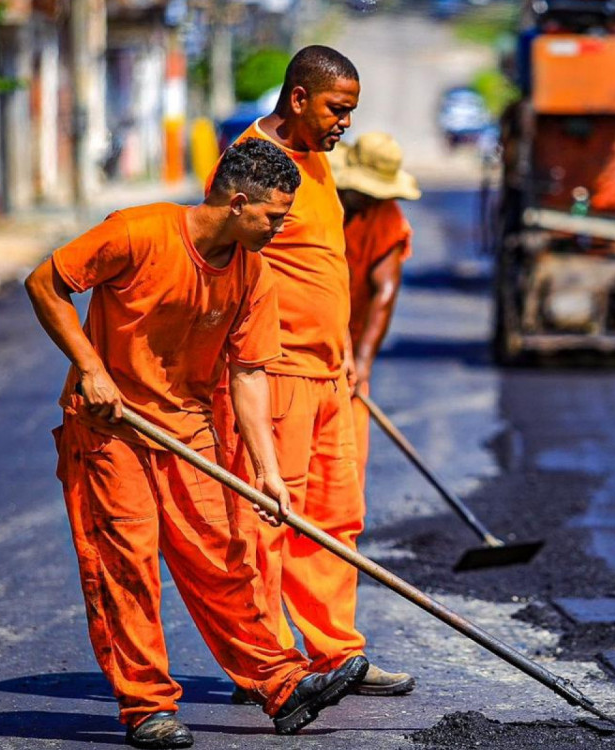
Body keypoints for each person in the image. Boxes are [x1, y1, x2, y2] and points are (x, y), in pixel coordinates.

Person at [24, 138, 368, 748]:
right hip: (111, 430)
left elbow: (249, 375)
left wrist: (266, 472)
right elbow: (46, 284)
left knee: (224, 559)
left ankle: (281, 683)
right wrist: (92, 369)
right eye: (274, 216)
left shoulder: (252, 273)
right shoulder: (138, 232)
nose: (280, 227)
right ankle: (146, 707)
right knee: (125, 567)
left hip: (189, 430)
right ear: (238, 204)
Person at [213, 46, 413, 700]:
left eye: (351, 112)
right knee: (268, 519)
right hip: (278, 375)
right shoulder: (252, 164)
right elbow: (220, 263)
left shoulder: (317, 161)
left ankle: (337, 654)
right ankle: (267, 665)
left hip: (329, 376)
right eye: (337, 109)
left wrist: (350, 355)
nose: (344, 124)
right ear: (298, 97)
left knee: (336, 518)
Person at [329, 133, 418, 589]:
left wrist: (361, 363)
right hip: (297, 347)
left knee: (346, 468)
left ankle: (337, 554)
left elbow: (384, 292)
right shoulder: (315, 198)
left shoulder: (385, 217)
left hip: (351, 351)